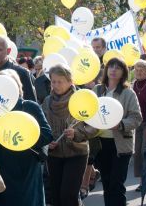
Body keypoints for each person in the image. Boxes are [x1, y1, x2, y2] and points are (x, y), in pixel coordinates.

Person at [0, 69, 52, 206]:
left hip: (25, 170)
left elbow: (47, 135)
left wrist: (22, 133)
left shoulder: (28, 106)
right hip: (0, 171)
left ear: (16, 86)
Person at [43, 64, 96, 206]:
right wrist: (48, 142)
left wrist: (77, 133)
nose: (56, 85)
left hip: (77, 153)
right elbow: (43, 126)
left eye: (60, 81)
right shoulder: (47, 101)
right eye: (53, 81)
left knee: (68, 195)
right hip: (54, 154)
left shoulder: (81, 99)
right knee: (55, 196)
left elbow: (94, 126)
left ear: (69, 81)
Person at [93, 57, 142, 206]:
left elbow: (136, 118)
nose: (113, 70)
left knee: (117, 183)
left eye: (118, 67)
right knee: (107, 183)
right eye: (111, 66)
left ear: (123, 73)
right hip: (101, 143)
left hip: (120, 145)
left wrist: (120, 124)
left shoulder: (128, 93)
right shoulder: (97, 90)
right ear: (106, 70)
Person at [132, 60, 146, 192]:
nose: (139, 72)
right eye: (137, 70)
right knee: (137, 154)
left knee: (145, 151)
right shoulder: (131, 86)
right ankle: (142, 182)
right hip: (136, 124)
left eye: (142, 70)